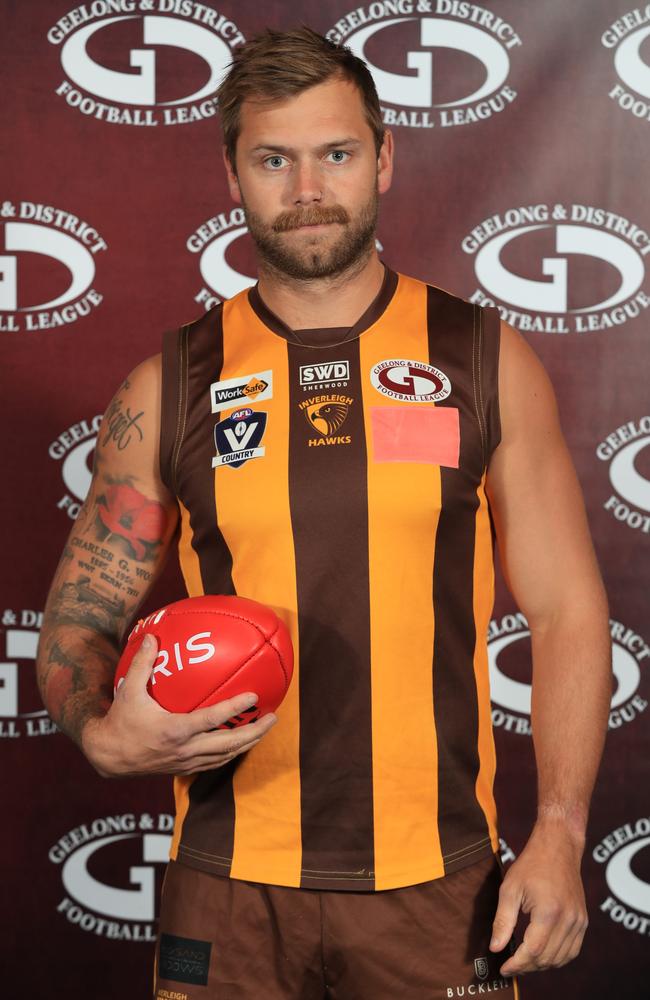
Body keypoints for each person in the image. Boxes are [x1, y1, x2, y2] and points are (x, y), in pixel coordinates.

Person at [36, 26, 611, 1000]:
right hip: (227, 885)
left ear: (383, 157)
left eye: (335, 153)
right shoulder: (168, 385)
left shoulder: (480, 359)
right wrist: (98, 731)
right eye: (273, 159)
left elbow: (563, 613)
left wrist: (556, 830)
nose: (306, 190)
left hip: (437, 878)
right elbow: (78, 618)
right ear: (231, 173)